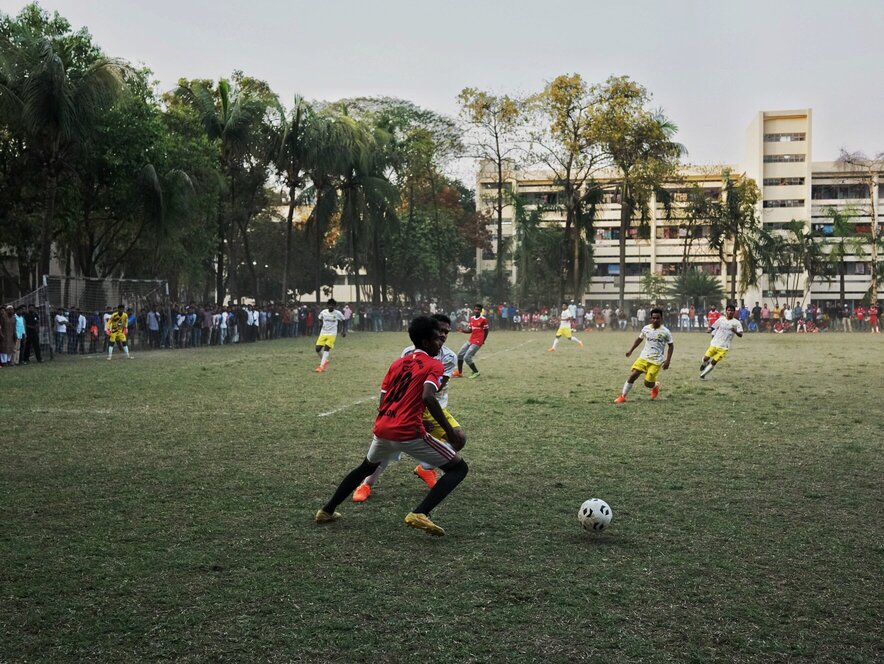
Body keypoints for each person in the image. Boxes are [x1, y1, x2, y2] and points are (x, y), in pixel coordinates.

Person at [314, 316, 469, 536]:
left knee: (366, 467)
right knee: (458, 469)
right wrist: (449, 431)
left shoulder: (397, 363)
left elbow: (384, 395)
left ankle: (326, 510)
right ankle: (420, 512)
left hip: (384, 426)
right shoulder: (434, 364)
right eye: (437, 339)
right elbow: (428, 396)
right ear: (426, 342)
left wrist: (386, 416)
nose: (440, 342)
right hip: (408, 431)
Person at [352, 313, 461, 502]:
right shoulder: (408, 352)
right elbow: (403, 382)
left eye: (446, 332)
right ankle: (366, 484)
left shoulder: (449, 357)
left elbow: (435, 390)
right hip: (409, 406)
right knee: (388, 446)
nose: (443, 335)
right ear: (429, 333)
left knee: (459, 438)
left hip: (433, 407)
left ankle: (426, 467)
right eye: (439, 331)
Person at [614, 308, 673, 403]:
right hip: (644, 357)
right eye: (653, 318)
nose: (655, 320)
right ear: (650, 318)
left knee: (648, 383)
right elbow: (639, 339)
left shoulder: (666, 332)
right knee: (633, 375)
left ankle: (655, 386)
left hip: (656, 361)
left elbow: (671, 346)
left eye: (657, 318)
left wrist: (668, 361)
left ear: (661, 318)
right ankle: (622, 396)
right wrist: (631, 350)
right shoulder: (646, 328)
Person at [699, 304, 743, 379]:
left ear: (734, 312)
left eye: (732, 310)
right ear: (726, 311)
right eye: (729, 310)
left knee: (714, 362)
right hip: (715, 343)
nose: (730, 312)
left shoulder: (737, 323)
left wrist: (735, 331)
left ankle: (703, 375)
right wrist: (709, 330)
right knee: (705, 358)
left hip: (724, 347)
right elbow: (713, 327)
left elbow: (741, 334)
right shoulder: (721, 319)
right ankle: (704, 364)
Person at [453, 303, 488, 378]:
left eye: (478, 309)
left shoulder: (483, 319)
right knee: (460, 354)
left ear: (481, 311)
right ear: (474, 310)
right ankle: (459, 373)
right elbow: (470, 330)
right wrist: (462, 330)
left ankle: (476, 372)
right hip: (471, 339)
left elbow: (486, 331)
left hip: (478, 341)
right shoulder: (472, 318)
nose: (477, 311)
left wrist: (483, 340)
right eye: (475, 309)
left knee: (467, 357)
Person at [314, 298, 345, 373]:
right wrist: (320, 323)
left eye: (333, 305)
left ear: (335, 306)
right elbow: (319, 318)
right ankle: (325, 360)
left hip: (332, 334)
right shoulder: (323, 312)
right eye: (330, 305)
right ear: (327, 305)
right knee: (317, 349)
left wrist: (343, 330)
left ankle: (321, 367)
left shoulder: (338, 313)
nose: (331, 306)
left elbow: (344, 320)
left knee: (326, 348)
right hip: (323, 333)